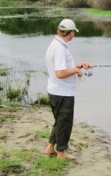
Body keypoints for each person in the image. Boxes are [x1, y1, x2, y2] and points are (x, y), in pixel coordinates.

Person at [43, 19, 92, 159]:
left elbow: (64, 66)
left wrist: (80, 65)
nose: (74, 36)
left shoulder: (56, 44)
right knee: (65, 122)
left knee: (59, 120)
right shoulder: (60, 48)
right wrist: (77, 71)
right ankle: (61, 152)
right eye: (73, 33)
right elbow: (60, 73)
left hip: (55, 91)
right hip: (62, 92)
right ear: (70, 33)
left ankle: (50, 148)